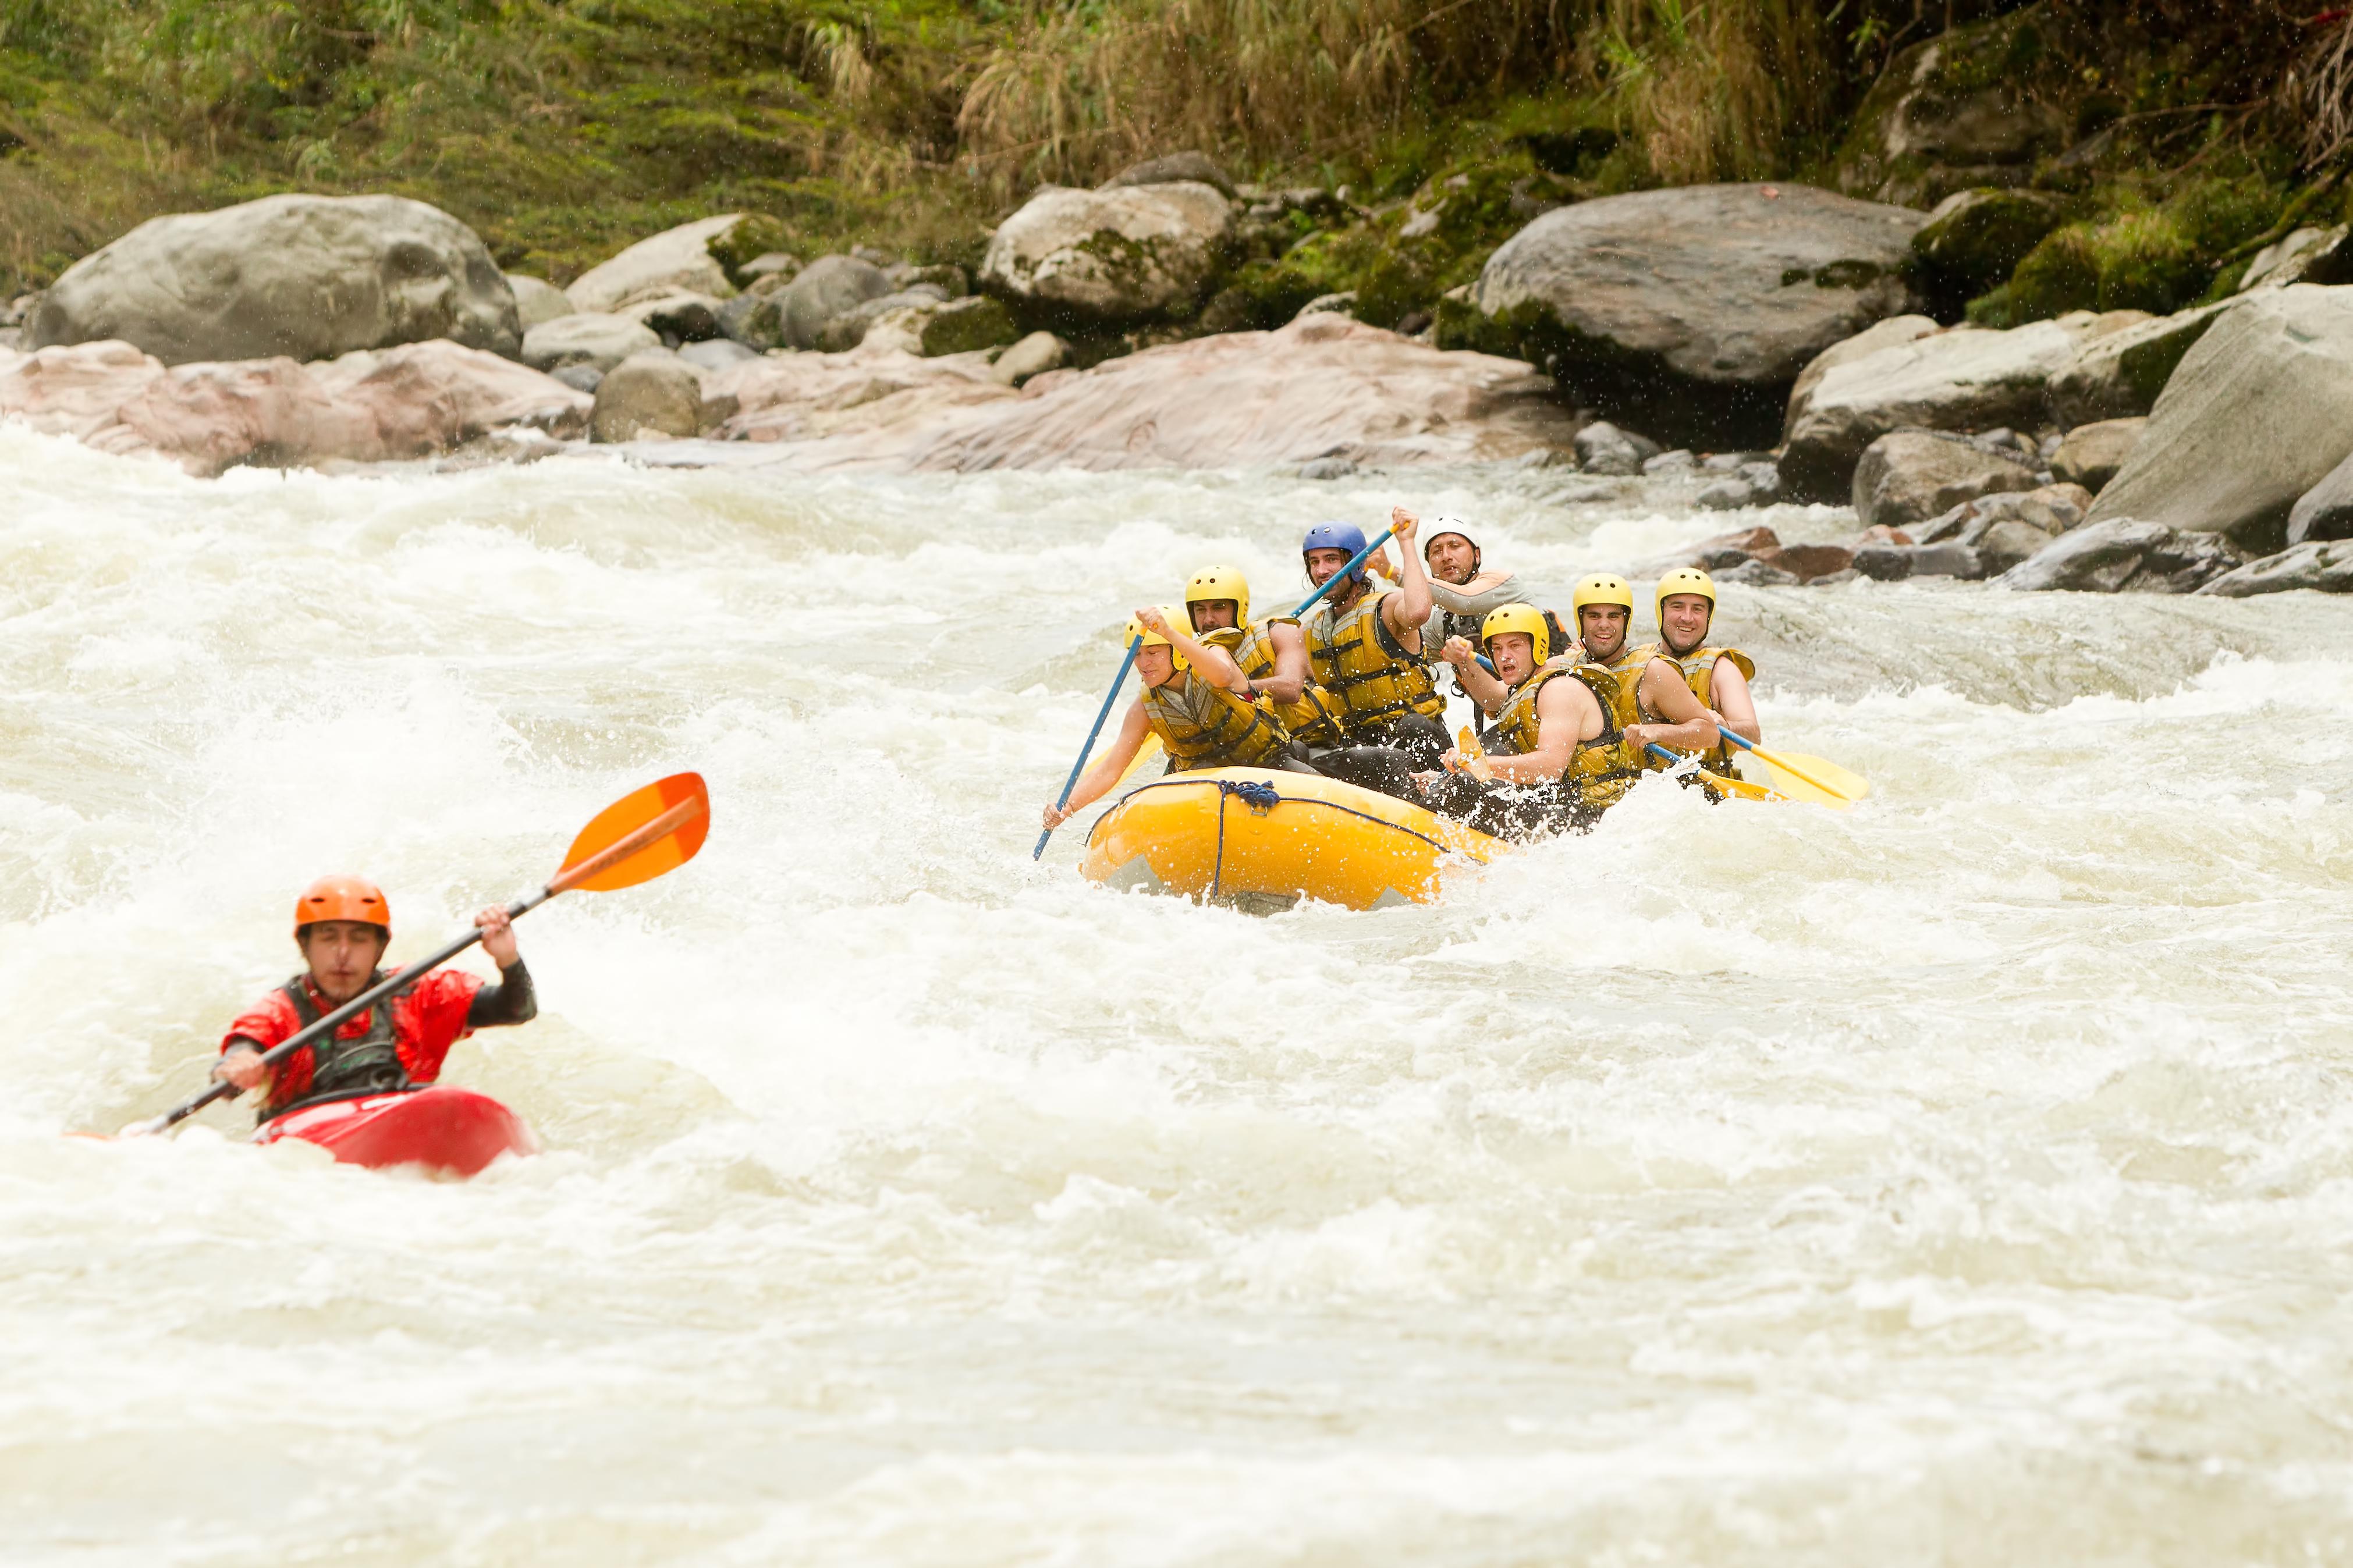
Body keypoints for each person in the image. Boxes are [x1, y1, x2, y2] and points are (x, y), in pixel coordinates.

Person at [214, 875, 537, 1122]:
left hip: (399, 1125)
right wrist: (236, 1069)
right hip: (306, 1148)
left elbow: (517, 1010)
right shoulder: (280, 1011)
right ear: (305, 945)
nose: (343, 954)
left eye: (359, 939)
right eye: (328, 937)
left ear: (379, 947)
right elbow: (240, 1054)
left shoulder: (418, 992)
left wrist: (507, 959)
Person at [1040, 605, 1311, 833]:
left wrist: (1167, 632)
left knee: (1318, 782)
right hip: (1205, 784)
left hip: (1269, 764)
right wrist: (1068, 807)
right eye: (1137, 654)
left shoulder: (1215, 657)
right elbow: (1112, 768)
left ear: (1178, 651)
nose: (1143, 664)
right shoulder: (1144, 708)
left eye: (1153, 652)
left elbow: (1225, 677)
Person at [1419, 603, 1674, 836]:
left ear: (1538, 647)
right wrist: (1446, 777)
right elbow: (1493, 702)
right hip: (1560, 803)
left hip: (1595, 816)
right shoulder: (1522, 691)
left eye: (1515, 646)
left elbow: (1551, 767)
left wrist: (1477, 766)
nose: (1504, 656)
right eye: (1497, 648)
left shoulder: (1559, 690)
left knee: (1465, 786)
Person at [1300, 509, 1445, 765]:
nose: (1322, 571)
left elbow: (1420, 611)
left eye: (1331, 560)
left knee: (1414, 726)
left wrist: (1407, 543)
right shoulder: (1310, 632)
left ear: (1357, 564)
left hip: (1412, 738)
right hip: (1360, 748)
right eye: (1314, 562)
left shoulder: (1386, 609)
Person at [1182, 563, 1346, 746]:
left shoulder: (1279, 633)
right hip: (1253, 759)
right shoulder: (1187, 663)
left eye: (1218, 608)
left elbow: (1291, 688)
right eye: (1200, 610)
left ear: (1239, 610)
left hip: (1312, 744)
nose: (1209, 619)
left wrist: (1232, 691)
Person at [1643, 566, 1761, 787]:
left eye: (1697, 609)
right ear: (1662, 611)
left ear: (1709, 616)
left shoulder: (1722, 669)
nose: (1687, 618)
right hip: (1647, 786)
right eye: (1678, 607)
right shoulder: (1640, 661)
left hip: (1706, 790)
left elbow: (1753, 736)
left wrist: (1726, 725)